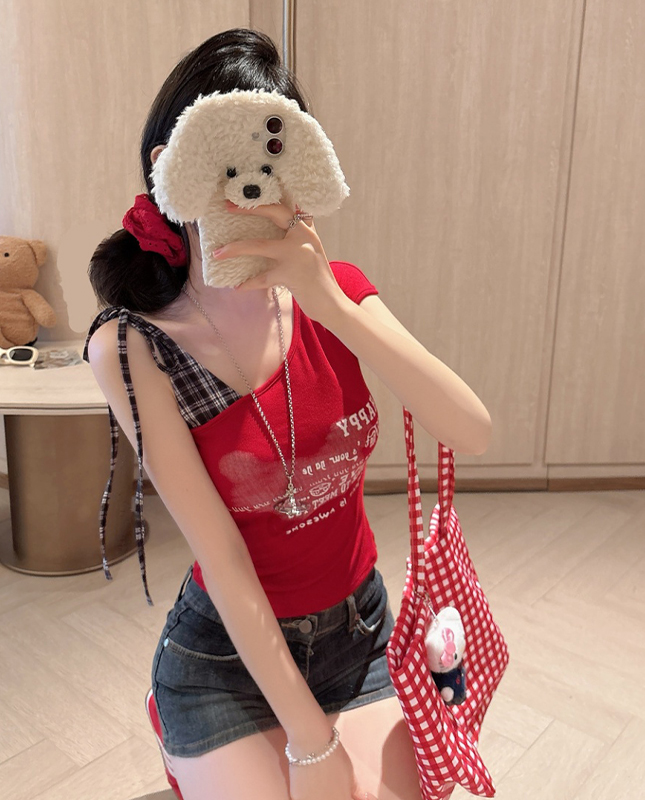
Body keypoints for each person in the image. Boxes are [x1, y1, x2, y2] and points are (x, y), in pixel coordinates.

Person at [84, 28, 491, 800]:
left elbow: (470, 430)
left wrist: (328, 301)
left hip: (360, 633)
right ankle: (187, 735)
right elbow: (222, 557)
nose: (251, 190)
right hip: (225, 660)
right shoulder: (136, 346)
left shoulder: (336, 293)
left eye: (275, 158)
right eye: (225, 163)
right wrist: (311, 742)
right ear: (174, 172)